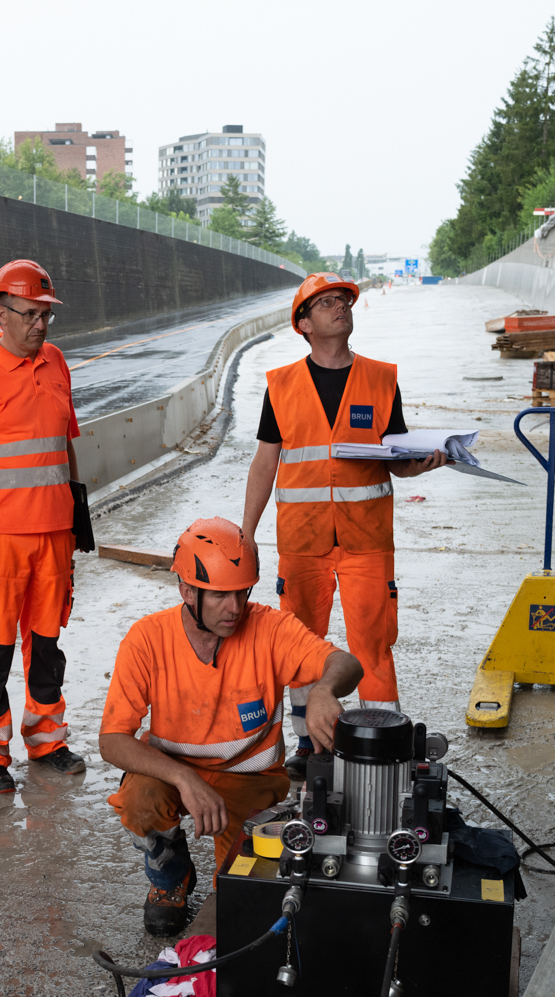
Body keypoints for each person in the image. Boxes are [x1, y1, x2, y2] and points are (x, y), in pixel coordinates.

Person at [99, 518, 362, 935]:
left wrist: (323, 689)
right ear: (187, 591)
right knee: (140, 800)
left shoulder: (269, 628)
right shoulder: (146, 639)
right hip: (172, 772)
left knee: (245, 899)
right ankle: (171, 882)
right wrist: (184, 777)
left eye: (242, 592)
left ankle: (227, 869)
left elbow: (345, 662)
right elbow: (112, 740)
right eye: (220, 595)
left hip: (251, 782)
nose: (235, 607)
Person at [241, 271, 446, 780]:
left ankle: (381, 740)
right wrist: (245, 536)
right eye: (327, 303)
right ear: (304, 324)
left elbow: (392, 455)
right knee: (302, 644)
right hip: (303, 541)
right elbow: (265, 464)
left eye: (343, 301)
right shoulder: (281, 386)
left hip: (366, 541)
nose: (340, 308)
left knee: (373, 648)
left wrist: (417, 463)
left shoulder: (380, 378)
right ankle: (310, 744)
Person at [0, 259, 90, 794]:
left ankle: (47, 741)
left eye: (46, 315)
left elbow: (64, 448)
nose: (41, 325)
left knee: (46, 646)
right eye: (30, 314)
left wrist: (77, 527)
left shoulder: (56, 363)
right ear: (2, 313)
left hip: (54, 538)